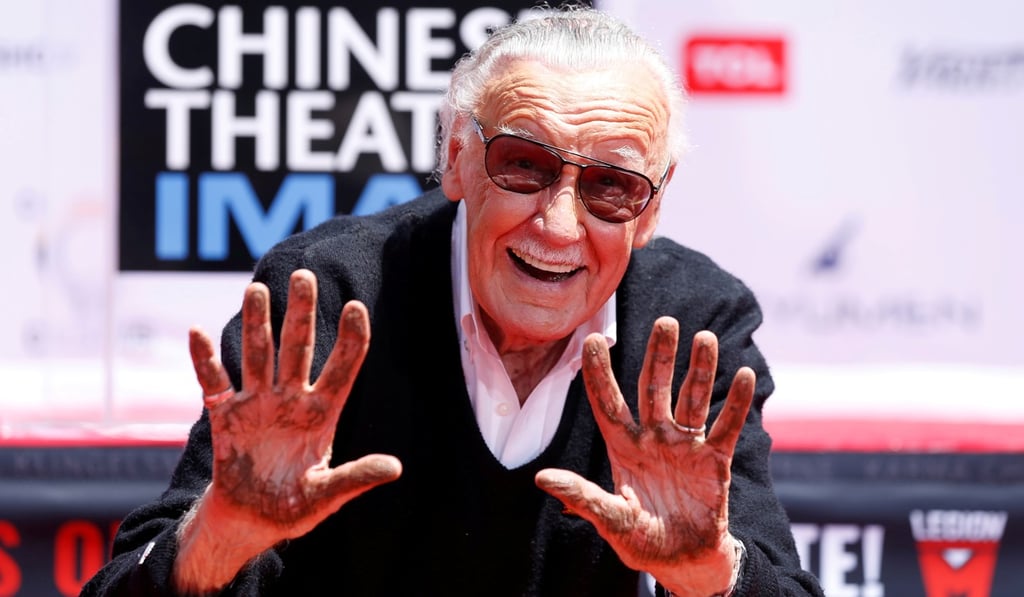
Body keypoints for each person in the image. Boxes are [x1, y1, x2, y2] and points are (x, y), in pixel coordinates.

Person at [84, 6, 823, 596]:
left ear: (652, 208)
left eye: (611, 186)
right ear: (458, 160)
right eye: (523, 165)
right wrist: (223, 535)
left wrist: (709, 573)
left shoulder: (693, 326)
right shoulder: (330, 294)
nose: (559, 226)